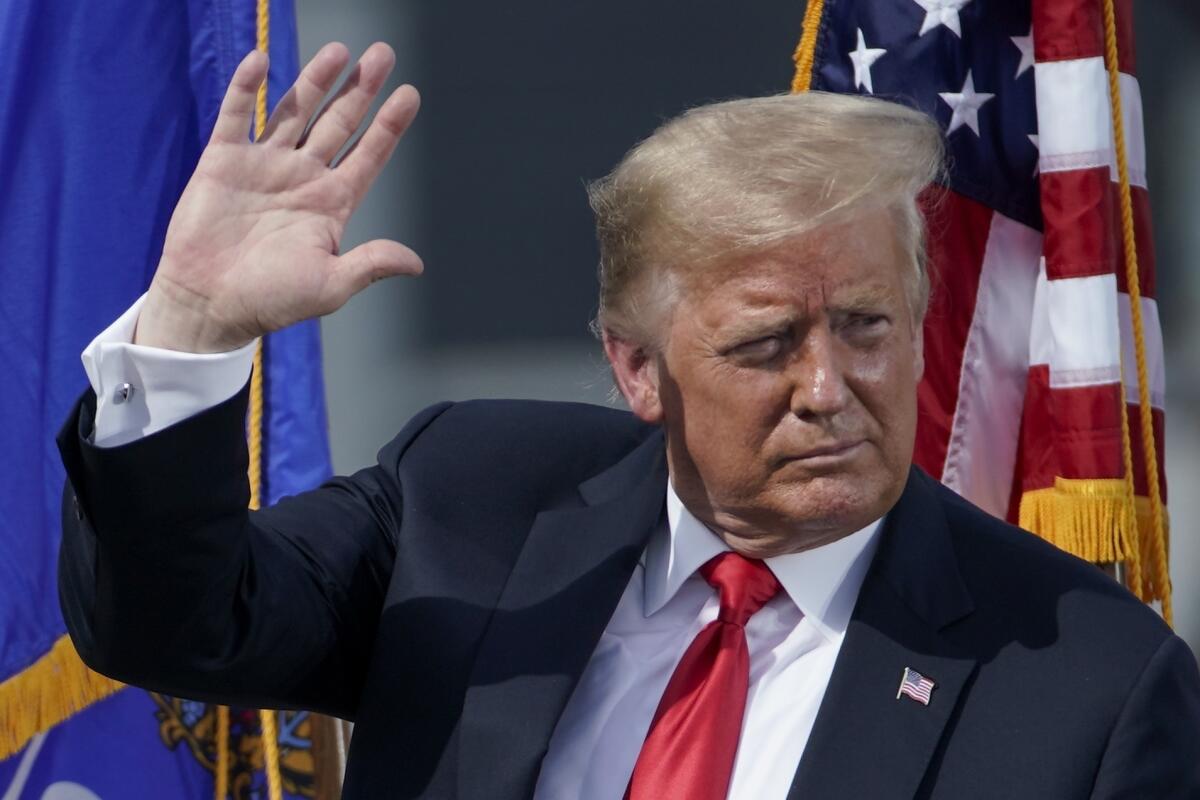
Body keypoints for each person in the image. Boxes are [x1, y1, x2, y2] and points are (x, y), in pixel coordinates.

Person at [57, 42, 1200, 799]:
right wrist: (194, 326)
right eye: (765, 343)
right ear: (635, 367)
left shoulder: (1088, 685)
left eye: (866, 324)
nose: (826, 386)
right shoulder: (472, 498)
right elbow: (177, 625)